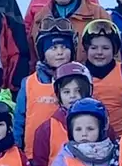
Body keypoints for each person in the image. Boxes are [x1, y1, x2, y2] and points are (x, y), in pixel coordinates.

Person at [13, 19, 77, 151]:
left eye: (64, 47)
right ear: (43, 53)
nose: (59, 52)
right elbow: (19, 119)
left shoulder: (79, 81)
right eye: (53, 48)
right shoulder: (29, 83)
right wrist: (17, 147)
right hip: (33, 154)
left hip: (69, 155)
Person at [30, 63, 95, 166]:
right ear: (58, 94)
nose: (72, 96)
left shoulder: (102, 125)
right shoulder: (46, 129)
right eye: (66, 91)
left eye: (78, 91)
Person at [79, 18, 122, 138]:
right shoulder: (79, 73)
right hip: (87, 138)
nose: (99, 52)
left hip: (119, 137)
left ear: (114, 50)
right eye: (94, 48)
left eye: (105, 48)